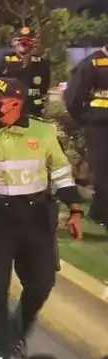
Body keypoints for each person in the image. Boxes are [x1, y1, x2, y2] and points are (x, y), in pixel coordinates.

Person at [0, 76, 84, 359]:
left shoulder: (43, 131)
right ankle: (1, 350)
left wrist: (75, 208)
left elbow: (61, 170)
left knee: (42, 283)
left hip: (36, 217)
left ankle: (18, 328)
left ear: (16, 102)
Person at [63, 45, 108, 226]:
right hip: (99, 125)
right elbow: (73, 97)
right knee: (103, 170)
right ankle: (103, 215)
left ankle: (98, 212)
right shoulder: (92, 63)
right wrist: (84, 120)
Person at [0, 26, 51, 117]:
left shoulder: (41, 64)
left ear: (34, 43)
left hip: (33, 111)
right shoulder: (4, 61)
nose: (24, 44)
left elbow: (44, 89)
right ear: (14, 42)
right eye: (20, 41)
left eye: (28, 41)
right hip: (9, 111)